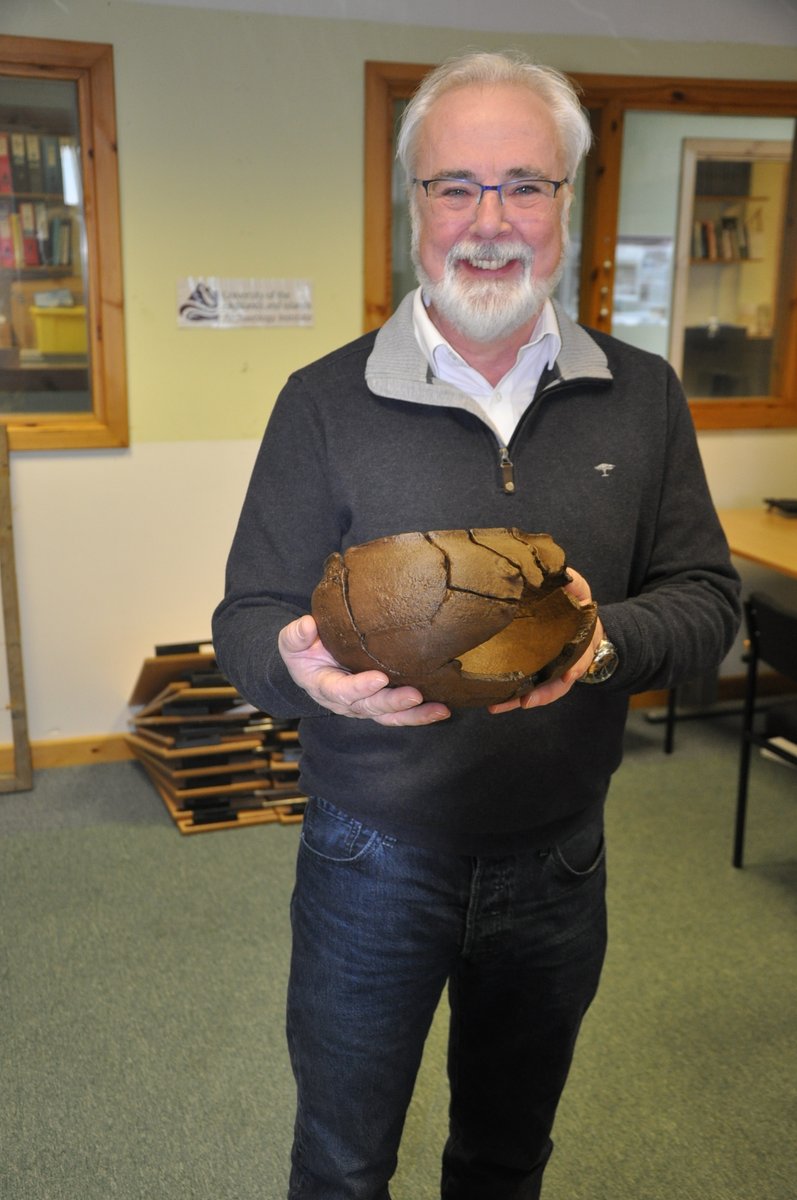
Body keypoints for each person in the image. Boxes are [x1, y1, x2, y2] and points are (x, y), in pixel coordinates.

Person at [212, 50, 741, 1200]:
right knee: (343, 1162)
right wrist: (301, 670)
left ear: (566, 204)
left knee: (503, 1158)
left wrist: (603, 647)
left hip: (558, 854)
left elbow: (705, 599)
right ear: (412, 205)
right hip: (370, 857)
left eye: (522, 184)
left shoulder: (642, 395)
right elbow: (246, 615)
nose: (487, 221)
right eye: (454, 185)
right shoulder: (321, 399)